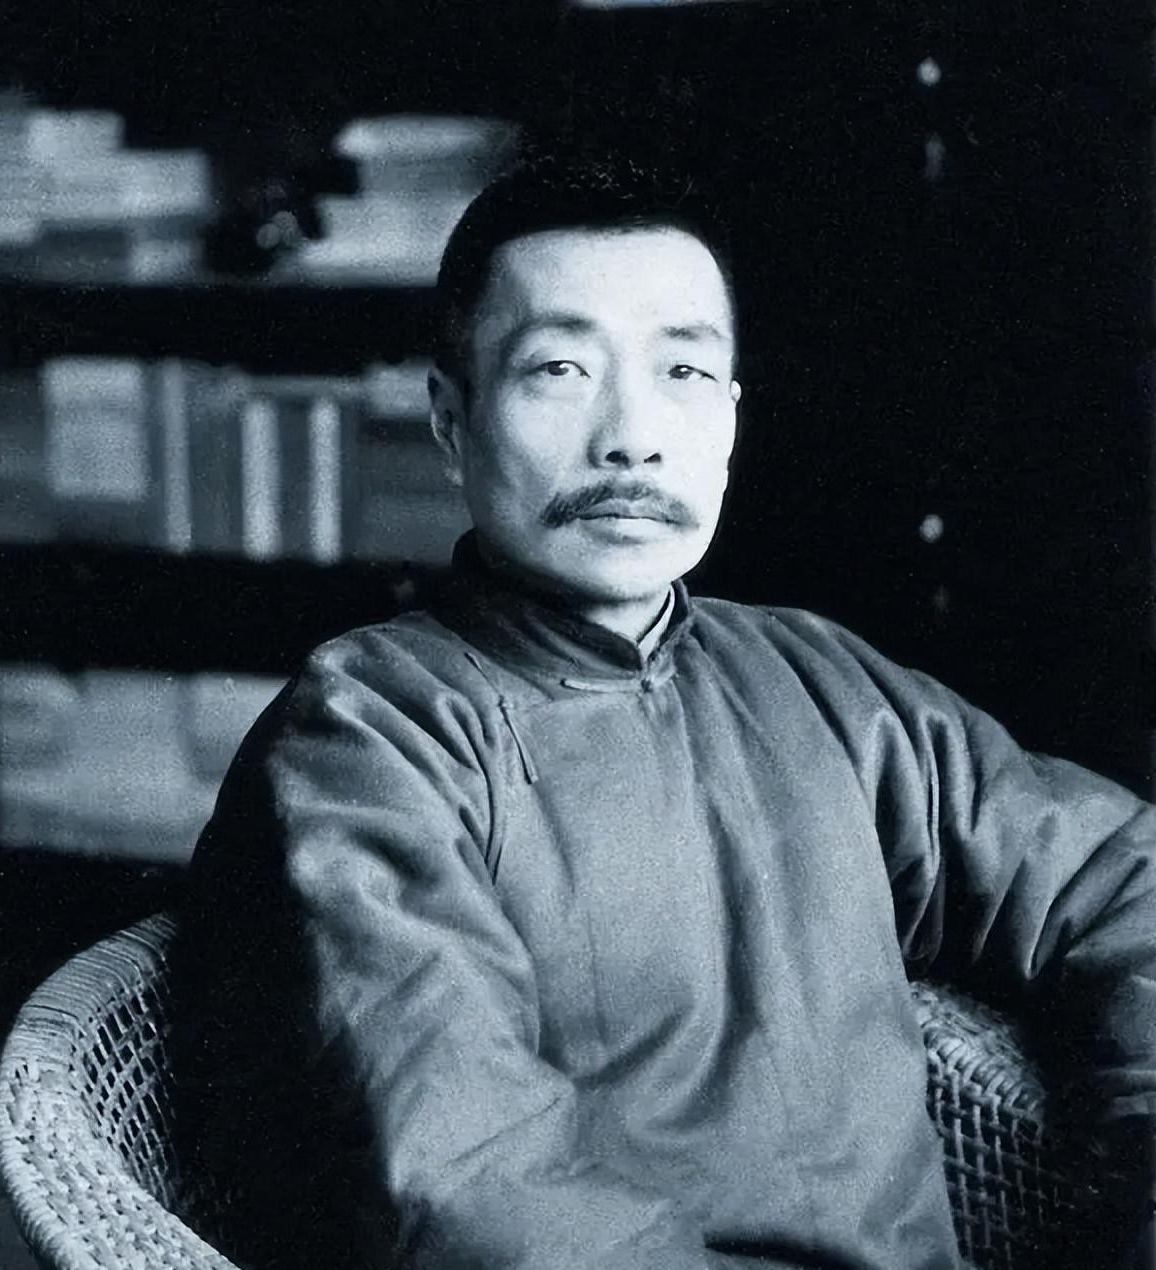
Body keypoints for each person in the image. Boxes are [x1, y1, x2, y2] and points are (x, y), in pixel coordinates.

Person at [176, 151, 1156, 1270]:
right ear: (450, 419)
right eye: (559, 368)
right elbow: (461, 1188)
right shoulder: (372, 734)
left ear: (730, 419)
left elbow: (1117, 880)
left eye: (683, 371)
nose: (631, 436)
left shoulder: (817, 683)